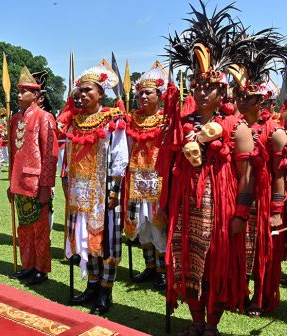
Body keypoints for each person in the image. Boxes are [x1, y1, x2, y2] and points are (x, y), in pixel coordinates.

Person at [163, 4, 255, 334]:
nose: (202, 92)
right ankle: (197, 321)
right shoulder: (183, 123)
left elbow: (248, 174)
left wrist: (241, 213)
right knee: (186, 259)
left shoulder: (236, 126)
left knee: (215, 262)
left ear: (221, 91)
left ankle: (213, 325)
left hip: (220, 207)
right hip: (186, 205)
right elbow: (171, 163)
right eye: (197, 86)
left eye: (209, 87)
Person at [62, 60, 128, 315]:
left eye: (89, 90)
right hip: (79, 191)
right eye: (80, 91)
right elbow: (65, 154)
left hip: (103, 192)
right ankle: (91, 285)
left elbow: (120, 154)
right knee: (85, 240)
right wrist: (66, 180)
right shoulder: (74, 121)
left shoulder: (112, 118)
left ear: (101, 93)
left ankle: (105, 292)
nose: (83, 94)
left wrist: (114, 189)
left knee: (106, 242)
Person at [228, 32, 287, 317]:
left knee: (262, 252)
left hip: (263, 203)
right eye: (240, 95)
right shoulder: (234, 126)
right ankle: (240, 292)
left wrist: (276, 210)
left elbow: (280, 175)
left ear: (261, 102)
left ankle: (260, 298)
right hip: (239, 198)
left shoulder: (275, 134)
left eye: (247, 97)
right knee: (241, 248)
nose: (241, 100)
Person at [8, 66, 58, 285]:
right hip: (19, 183)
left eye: (24, 91)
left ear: (36, 95)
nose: (19, 95)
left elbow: (50, 154)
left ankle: (41, 268)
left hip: (37, 183)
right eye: (18, 90)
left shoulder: (44, 118)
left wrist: (46, 186)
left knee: (40, 229)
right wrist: (10, 183)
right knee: (24, 228)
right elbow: (12, 154)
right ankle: (28, 265)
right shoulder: (15, 119)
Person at [122, 61, 168, 290]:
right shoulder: (133, 119)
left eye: (148, 93)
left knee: (158, 225)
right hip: (136, 179)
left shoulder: (166, 120)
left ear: (159, 95)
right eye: (139, 94)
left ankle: (162, 270)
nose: (142, 98)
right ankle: (149, 267)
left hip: (157, 179)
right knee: (142, 226)